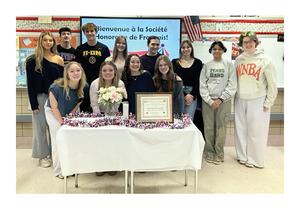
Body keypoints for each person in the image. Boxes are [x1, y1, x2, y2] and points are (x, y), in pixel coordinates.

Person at [234, 31, 278, 168]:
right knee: (240, 129)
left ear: (255, 42)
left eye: (250, 41)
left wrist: (268, 102)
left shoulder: (265, 59)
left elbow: (272, 84)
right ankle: (242, 156)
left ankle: (255, 159)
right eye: (244, 42)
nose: (247, 44)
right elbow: (235, 80)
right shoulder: (238, 60)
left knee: (257, 131)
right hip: (241, 99)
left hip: (258, 99)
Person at [25, 31, 64, 168]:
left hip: (55, 97)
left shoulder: (58, 59)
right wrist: (34, 104)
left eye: (50, 40)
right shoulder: (32, 60)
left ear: (53, 42)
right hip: (39, 97)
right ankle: (42, 156)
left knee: (54, 126)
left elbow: (61, 82)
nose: (48, 42)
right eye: (45, 40)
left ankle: (55, 154)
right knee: (40, 128)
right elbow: (30, 83)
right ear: (40, 42)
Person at [45, 61, 89, 178]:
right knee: (58, 138)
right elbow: (54, 107)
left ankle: (71, 167)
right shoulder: (56, 87)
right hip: (53, 112)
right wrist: (61, 122)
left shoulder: (84, 86)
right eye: (72, 71)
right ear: (67, 73)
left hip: (70, 111)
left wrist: (69, 119)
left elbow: (77, 105)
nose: (75, 73)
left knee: (71, 137)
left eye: (78, 70)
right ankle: (59, 170)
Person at [200, 41, 237, 165]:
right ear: (211, 50)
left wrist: (220, 99)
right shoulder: (207, 65)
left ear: (223, 50)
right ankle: (209, 152)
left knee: (221, 128)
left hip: (224, 101)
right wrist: (210, 100)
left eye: (219, 49)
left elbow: (232, 85)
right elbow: (202, 85)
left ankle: (219, 153)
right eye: (214, 49)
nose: (216, 51)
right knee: (209, 127)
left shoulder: (229, 65)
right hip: (208, 102)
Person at [75, 23, 110, 112]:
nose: (90, 33)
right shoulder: (80, 49)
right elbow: (78, 67)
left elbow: (107, 67)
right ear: (84, 33)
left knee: (100, 107)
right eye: (87, 31)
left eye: (92, 31)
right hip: (84, 83)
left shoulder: (104, 48)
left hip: (100, 83)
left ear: (96, 32)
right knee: (85, 108)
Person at [172, 40, 203, 120]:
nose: (185, 49)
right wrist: (184, 94)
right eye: (183, 47)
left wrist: (191, 95)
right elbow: (173, 81)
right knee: (177, 120)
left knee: (188, 121)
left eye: (188, 47)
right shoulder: (174, 62)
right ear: (180, 49)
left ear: (191, 48)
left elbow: (198, 81)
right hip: (178, 93)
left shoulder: (198, 63)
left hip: (192, 95)